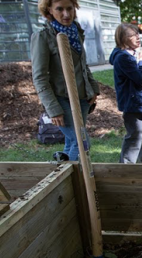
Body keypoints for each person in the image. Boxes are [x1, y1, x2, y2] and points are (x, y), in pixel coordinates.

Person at [30, 0, 99, 161]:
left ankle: (63, 178)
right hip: (61, 99)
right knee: (81, 142)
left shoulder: (75, 32)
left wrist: (93, 88)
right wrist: (53, 108)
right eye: (59, 9)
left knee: (72, 142)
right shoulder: (43, 37)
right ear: (49, 10)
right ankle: (76, 179)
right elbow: (39, 77)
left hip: (81, 98)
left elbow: (82, 64)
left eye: (70, 8)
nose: (66, 14)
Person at [109, 23, 142, 163]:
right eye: (132, 35)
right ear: (122, 39)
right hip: (133, 103)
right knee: (135, 136)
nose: (137, 38)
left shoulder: (131, 54)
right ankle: (126, 166)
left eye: (137, 34)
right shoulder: (123, 57)